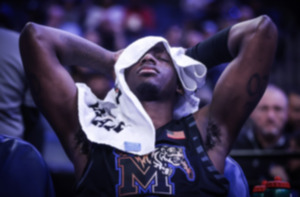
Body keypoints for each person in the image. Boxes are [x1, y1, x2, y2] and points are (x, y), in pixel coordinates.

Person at [19, 15, 277, 196]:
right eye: (138, 58)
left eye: (162, 58)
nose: (150, 58)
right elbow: (36, 37)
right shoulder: (91, 131)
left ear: (180, 83)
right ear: (122, 79)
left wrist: (187, 57)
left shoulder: (205, 132)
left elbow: (260, 31)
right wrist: (110, 60)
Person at [233, 84, 290, 186]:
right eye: (264, 108)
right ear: (252, 112)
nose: (270, 116)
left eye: (277, 109)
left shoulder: (294, 147)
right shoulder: (234, 146)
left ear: (287, 113)